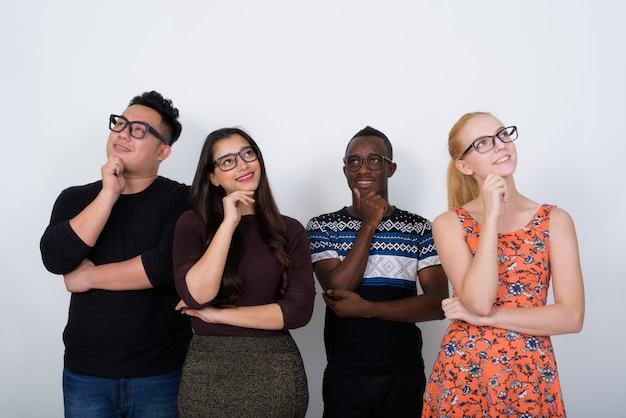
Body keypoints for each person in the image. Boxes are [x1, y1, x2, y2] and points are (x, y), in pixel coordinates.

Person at [422, 112, 585, 417]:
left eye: (501, 135)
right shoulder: (449, 223)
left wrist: (489, 319)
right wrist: (492, 216)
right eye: (483, 143)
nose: (499, 145)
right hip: (466, 375)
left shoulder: (555, 221)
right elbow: (479, 301)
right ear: (464, 165)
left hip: (530, 374)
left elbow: (571, 317)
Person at [40, 91, 192, 418]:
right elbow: (56, 257)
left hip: (162, 372)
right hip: (86, 373)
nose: (123, 132)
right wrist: (108, 194)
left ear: (163, 151)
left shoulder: (181, 199)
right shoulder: (76, 198)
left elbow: (164, 265)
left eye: (139, 129)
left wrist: (89, 276)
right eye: (120, 124)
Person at [306, 126, 449, 417]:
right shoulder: (322, 227)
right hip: (346, 374)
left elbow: (437, 305)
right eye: (354, 161)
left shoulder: (419, 229)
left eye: (374, 160)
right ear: (345, 170)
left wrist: (367, 309)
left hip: (403, 373)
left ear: (391, 168)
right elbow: (339, 290)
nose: (363, 169)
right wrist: (370, 224)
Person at [172, 127, 315, 417]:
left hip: (277, 374)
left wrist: (219, 315)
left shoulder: (290, 230)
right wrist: (228, 224)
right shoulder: (192, 224)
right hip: (207, 374)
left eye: (247, 153)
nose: (242, 164)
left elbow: (298, 312)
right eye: (227, 161)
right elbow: (198, 296)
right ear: (212, 177)